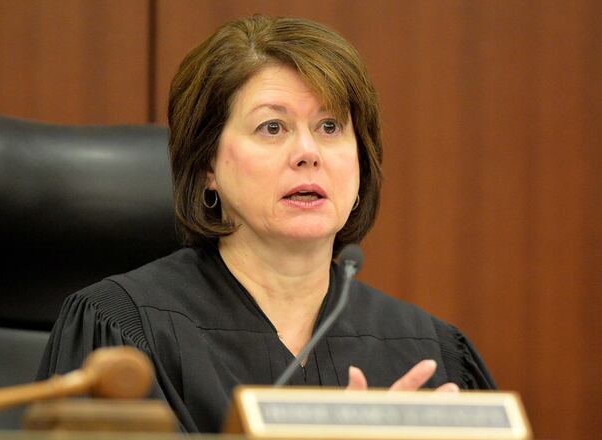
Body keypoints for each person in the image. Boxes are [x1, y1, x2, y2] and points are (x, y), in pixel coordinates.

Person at [37, 15, 495, 433]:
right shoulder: (122, 337)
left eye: (330, 127)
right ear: (207, 166)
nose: (308, 152)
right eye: (272, 128)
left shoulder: (431, 355)